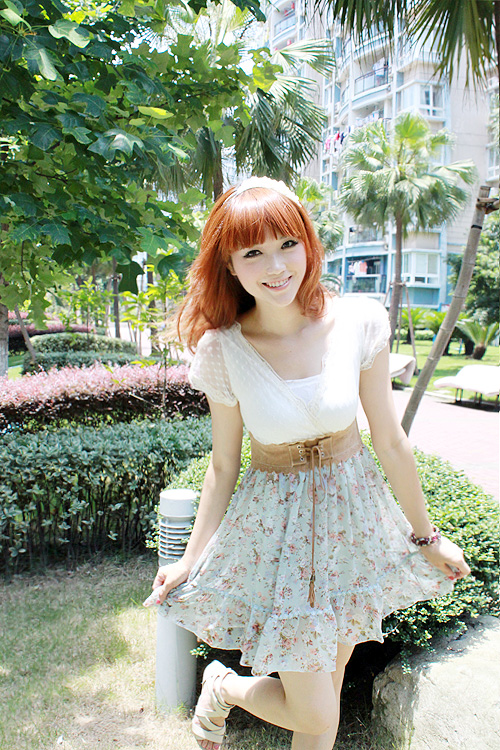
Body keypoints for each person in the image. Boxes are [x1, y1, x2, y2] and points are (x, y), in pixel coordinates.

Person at [152, 177, 470, 750]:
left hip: (351, 525)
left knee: (331, 684)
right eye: (253, 253)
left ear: (308, 243)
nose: (276, 267)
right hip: (278, 537)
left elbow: (389, 439)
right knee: (316, 711)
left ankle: (227, 688)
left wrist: (428, 538)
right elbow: (224, 464)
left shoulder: (357, 321)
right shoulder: (224, 348)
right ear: (229, 264)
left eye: (287, 244)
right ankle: (225, 686)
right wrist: (189, 560)